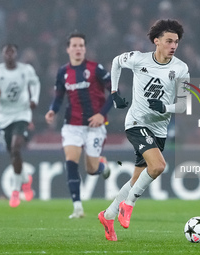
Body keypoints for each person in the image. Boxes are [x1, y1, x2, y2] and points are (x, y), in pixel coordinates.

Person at [98, 19, 190, 241]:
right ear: (156, 41)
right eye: (169, 41)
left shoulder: (180, 68)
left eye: (176, 42)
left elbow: (184, 104)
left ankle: (107, 215)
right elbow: (116, 62)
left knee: (136, 179)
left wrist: (165, 107)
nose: (173, 45)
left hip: (159, 130)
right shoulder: (138, 59)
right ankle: (127, 206)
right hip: (137, 123)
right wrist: (114, 91)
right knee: (158, 166)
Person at [45, 31, 112, 219]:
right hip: (72, 125)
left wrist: (101, 114)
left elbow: (115, 93)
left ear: (85, 48)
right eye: (74, 45)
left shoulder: (96, 68)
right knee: (71, 162)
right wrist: (52, 110)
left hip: (94, 126)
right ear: (67, 49)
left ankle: (101, 166)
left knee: (91, 169)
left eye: (81, 45)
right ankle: (77, 207)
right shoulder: (63, 72)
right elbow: (58, 98)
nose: (78, 49)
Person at [0, 44, 40, 207]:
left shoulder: (25, 70)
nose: (9, 55)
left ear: (16, 54)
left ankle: (16, 192)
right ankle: (25, 179)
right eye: (6, 52)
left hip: (22, 114)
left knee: (16, 148)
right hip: (5, 117)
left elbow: (35, 83)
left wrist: (34, 99)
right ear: (3, 55)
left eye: (12, 52)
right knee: (13, 154)